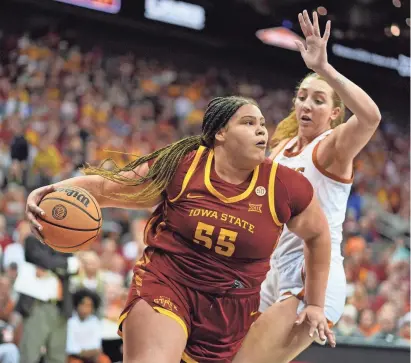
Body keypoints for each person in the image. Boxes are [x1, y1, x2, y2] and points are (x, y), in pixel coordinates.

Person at [26, 95, 334, 363]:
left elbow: (319, 236)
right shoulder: (183, 165)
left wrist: (317, 304)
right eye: (249, 123)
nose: (261, 130)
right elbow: (111, 187)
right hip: (168, 283)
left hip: (228, 310)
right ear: (221, 133)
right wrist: (53, 190)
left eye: (263, 124)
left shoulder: (284, 186)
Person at [233, 10, 381, 363]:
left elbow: (371, 117)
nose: (307, 105)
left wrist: (325, 69)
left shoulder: (331, 148)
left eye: (319, 100)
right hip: (273, 272)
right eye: (303, 96)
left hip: (313, 277)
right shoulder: (281, 148)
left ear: (333, 114)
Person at [66, 288, 111, 363]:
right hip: (75, 357)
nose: (85, 309)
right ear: (76, 305)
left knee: (104, 360)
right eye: (82, 304)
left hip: (92, 356)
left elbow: (97, 347)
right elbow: (71, 348)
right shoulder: (70, 322)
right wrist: (84, 353)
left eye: (89, 306)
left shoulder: (95, 322)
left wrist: (91, 354)